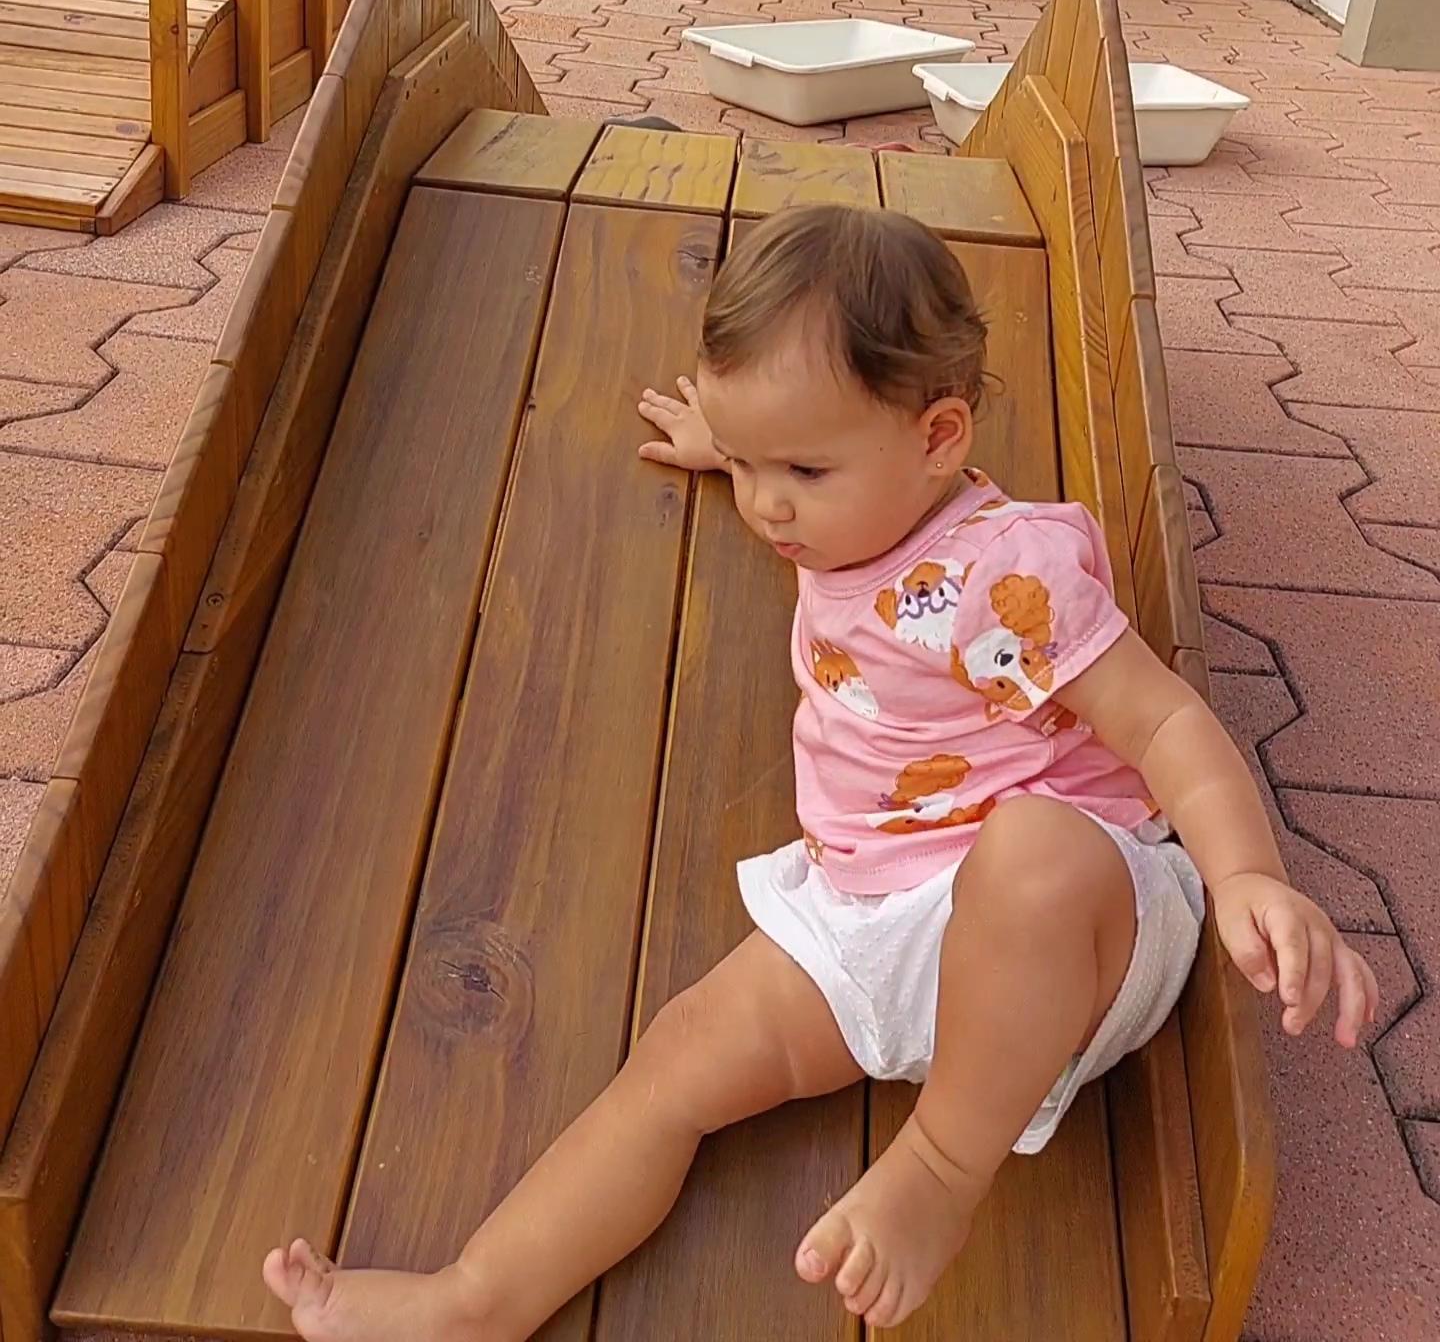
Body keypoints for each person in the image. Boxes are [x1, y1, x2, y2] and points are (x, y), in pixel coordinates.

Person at [265, 203, 1376, 1340]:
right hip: (875, 913)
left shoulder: (1004, 578)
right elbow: (794, 462)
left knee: (1031, 846)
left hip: (1073, 932)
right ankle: (472, 1301)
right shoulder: (852, 500)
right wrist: (734, 445)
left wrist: (1246, 875)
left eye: (801, 466)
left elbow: (1167, 721)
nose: (767, 505)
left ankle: (939, 1170)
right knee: (677, 1061)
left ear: (939, 437)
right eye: (749, 463)